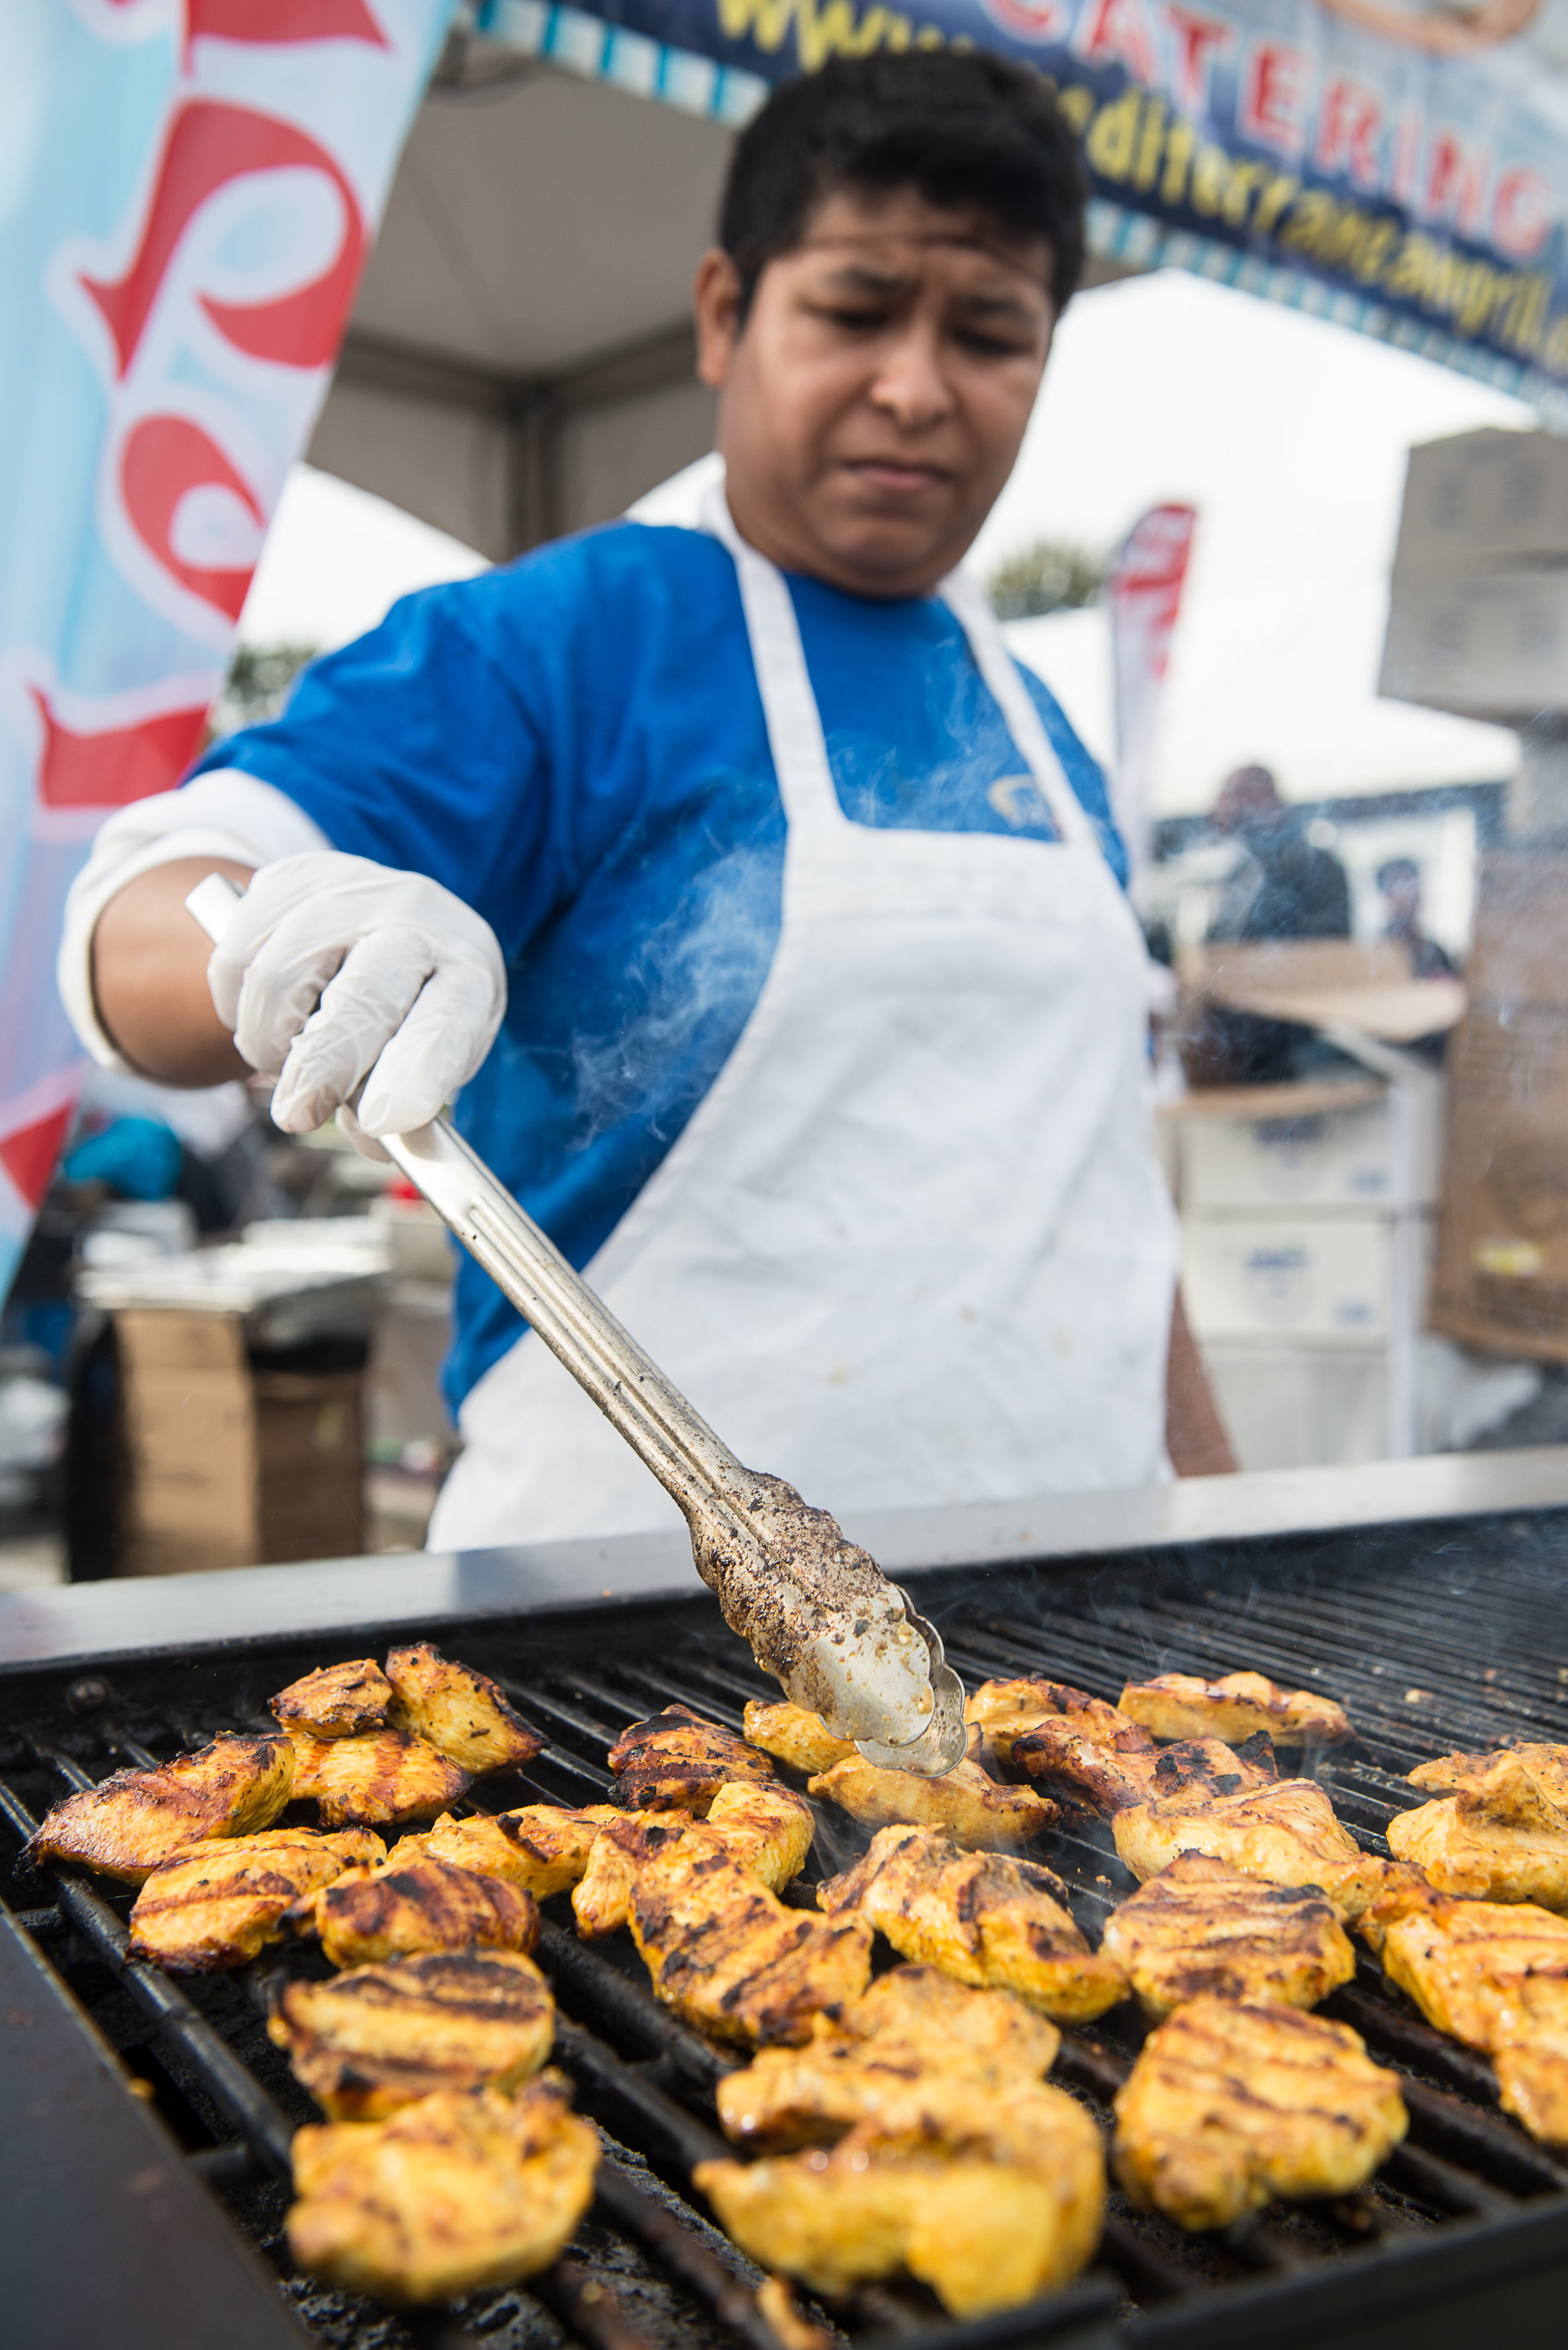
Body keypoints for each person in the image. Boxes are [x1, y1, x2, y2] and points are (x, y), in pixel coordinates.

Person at [64, 52, 1234, 1554]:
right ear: (724, 314)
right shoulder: (561, 646)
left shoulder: (1032, 719)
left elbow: (1101, 1184)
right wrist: (295, 931)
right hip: (627, 1655)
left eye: (992, 333)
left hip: (1087, 1637)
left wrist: (1223, 1516)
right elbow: (129, 925)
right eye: (856, 310)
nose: (916, 386)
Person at [1207, 766, 1351, 943]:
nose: (1217, 810)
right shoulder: (1239, 870)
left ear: (1262, 798)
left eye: (1229, 796)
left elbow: (1324, 948)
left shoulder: (1316, 865)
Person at [1377, 856, 1457, 980]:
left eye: (1411, 883)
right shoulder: (1376, 951)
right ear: (1387, 896)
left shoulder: (1436, 953)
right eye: (1400, 884)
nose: (1409, 893)